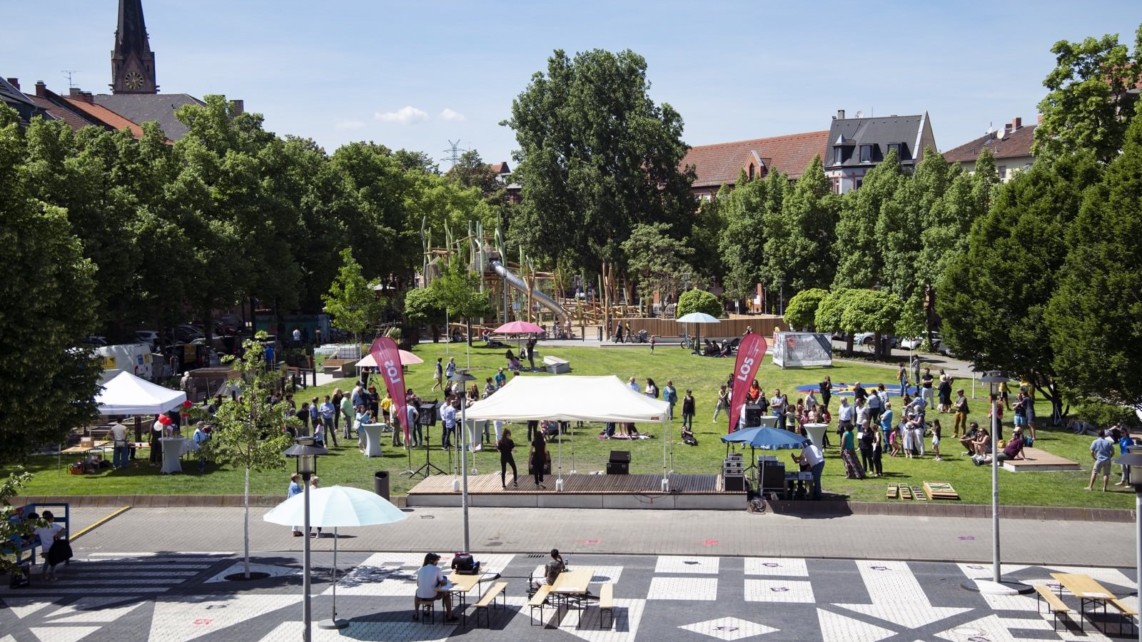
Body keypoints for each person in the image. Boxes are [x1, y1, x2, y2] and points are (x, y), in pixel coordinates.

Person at [414, 553, 456, 622]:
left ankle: (417, 614)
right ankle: (449, 615)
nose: (437, 562)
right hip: (432, 596)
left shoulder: (421, 569)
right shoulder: (437, 569)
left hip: (420, 596)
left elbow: (418, 584)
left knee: (418, 592)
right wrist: (445, 581)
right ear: (432, 561)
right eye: (436, 561)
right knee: (447, 594)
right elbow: (442, 582)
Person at [34, 511, 70, 581]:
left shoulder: (39, 527)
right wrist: (58, 535)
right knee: (53, 562)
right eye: (53, 518)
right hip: (53, 548)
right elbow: (64, 530)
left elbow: (34, 534)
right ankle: (52, 576)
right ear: (51, 519)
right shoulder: (54, 526)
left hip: (45, 548)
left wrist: (27, 541)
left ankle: (43, 575)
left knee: (47, 562)